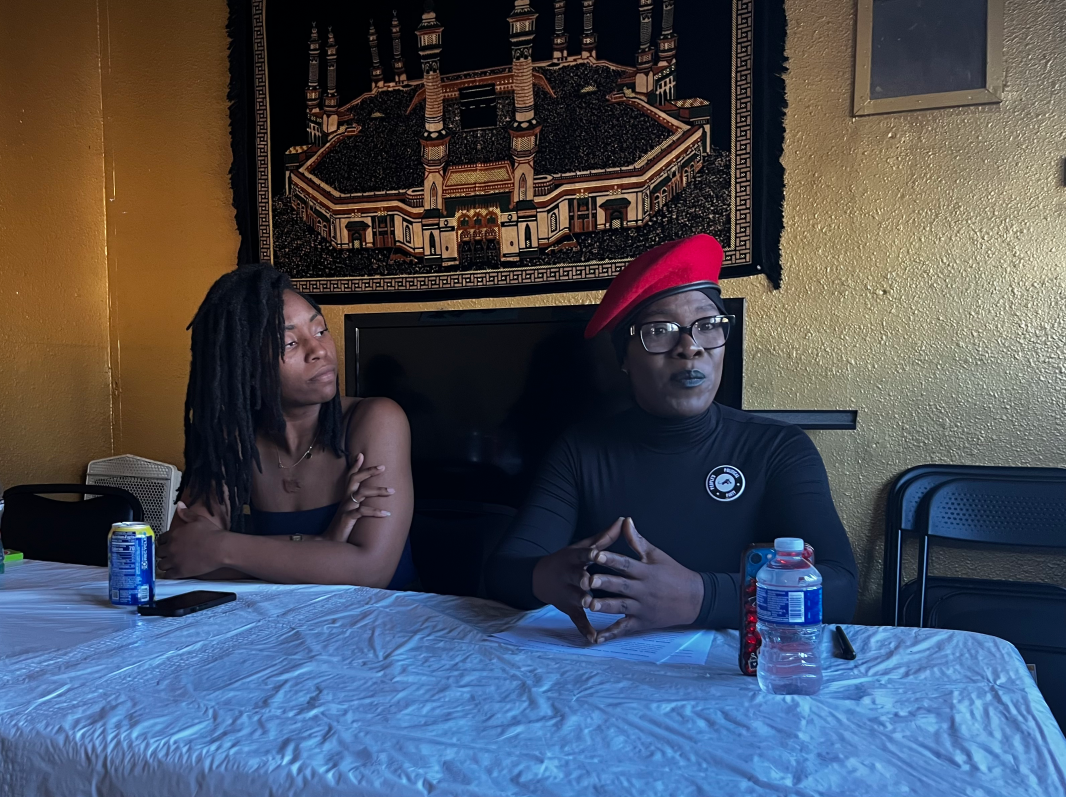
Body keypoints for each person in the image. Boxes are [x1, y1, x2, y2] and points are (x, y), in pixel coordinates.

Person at [486, 234, 858, 642]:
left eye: (708, 326)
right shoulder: (582, 450)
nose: (689, 347)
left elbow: (840, 588)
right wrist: (550, 575)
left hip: (731, 676)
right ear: (624, 358)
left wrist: (699, 597)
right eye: (660, 330)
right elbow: (505, 572)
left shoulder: (778, 449)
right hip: (606, 666)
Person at [157, 264, 416, 588]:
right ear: (245, 367)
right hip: (289, 623)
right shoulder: (234, 439)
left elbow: (370, 572)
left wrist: (220, 547)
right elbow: (180, 558)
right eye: (289, 344)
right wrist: (324, 546)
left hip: (386, 624)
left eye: (320, 330)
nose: (319, 350)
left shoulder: (376, 419)